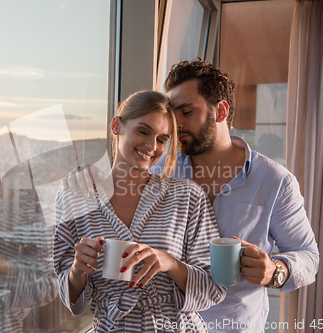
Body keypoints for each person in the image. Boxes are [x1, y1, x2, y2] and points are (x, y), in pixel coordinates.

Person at [62, 59, 320, 333]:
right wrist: (85, 176)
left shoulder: (275, 181)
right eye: (173, 115)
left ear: (220, 111)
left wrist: (275, 271)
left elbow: (308, 256)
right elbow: (118, 187)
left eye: (186, 112)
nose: (176, 125)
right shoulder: (160, 169)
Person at [54, 90, 227, 332]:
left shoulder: (187, 197)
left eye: (162, 139)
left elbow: (214, 287)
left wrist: (169, 262)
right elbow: (66, 292)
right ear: (116, 126)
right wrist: (77, 270)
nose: (151, 146)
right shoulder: (74, 197)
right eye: (143, 131)